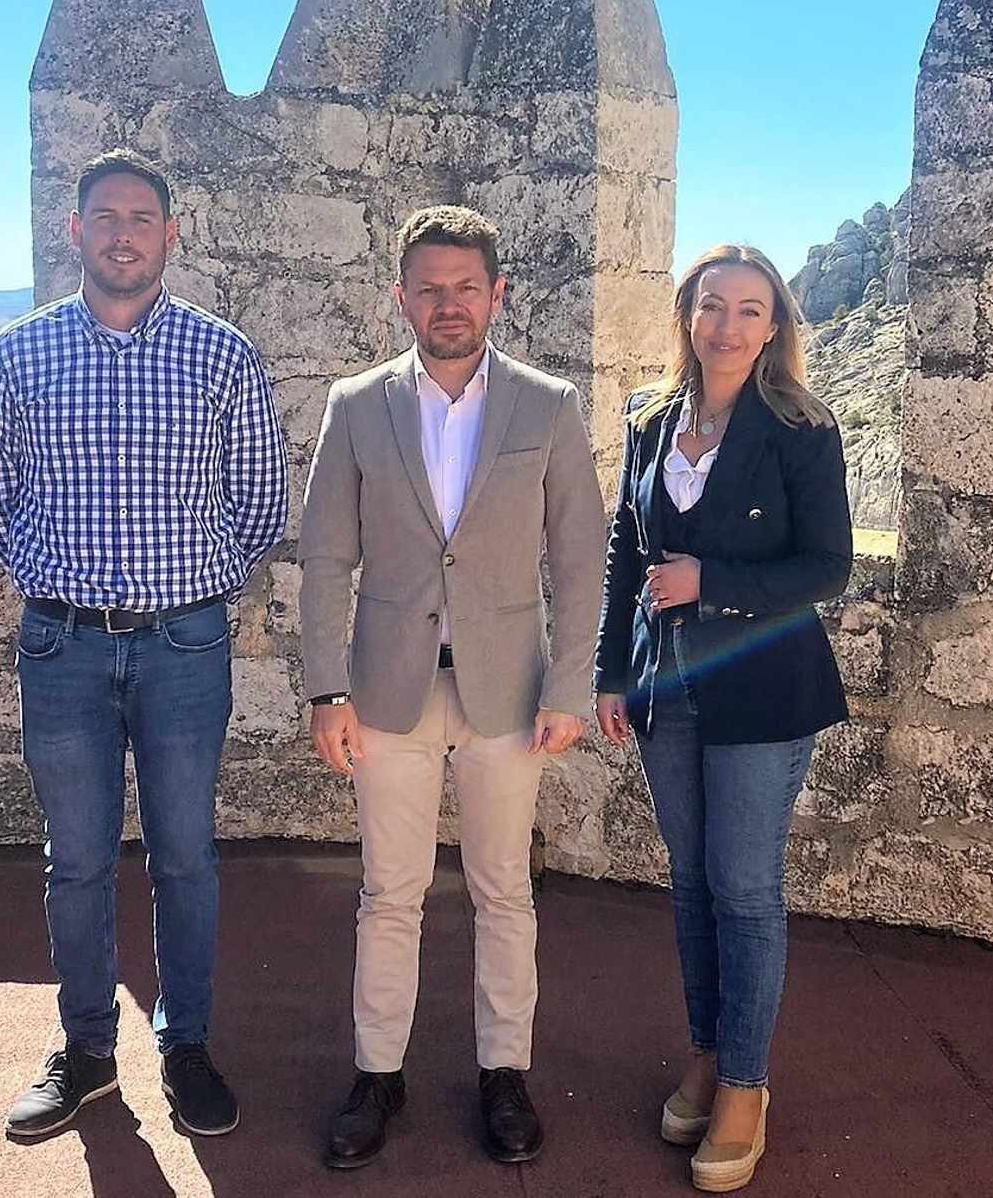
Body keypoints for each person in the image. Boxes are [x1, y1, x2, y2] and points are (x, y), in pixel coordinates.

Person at [0, 148, 287, 1140]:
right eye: (104, 215)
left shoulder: (222, 355)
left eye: (142, 217)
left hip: (185, 644)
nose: (123, 233)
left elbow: (260, 504)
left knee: (186, 855)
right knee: (76, 861)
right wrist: (55, 575)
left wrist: (189, 582)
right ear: (75, 230)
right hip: (61, 646)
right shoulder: (17, 356)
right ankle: (88, 1050)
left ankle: (186, 1045)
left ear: (170, 234)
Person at [298, 205, 606, 1169]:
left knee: (503, 889)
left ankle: (503, 1072)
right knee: (388, 891)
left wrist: (569, 684)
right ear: (401, 296)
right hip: (386, 691)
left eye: (466, 286)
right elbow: (324, 555)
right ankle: (376, 1074)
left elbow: (582, 557)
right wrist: (324, 688)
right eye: (429, 287)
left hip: (507, 693)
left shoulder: (548, 405)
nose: (448, 303)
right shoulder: (357, 404)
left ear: (497, 293)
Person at [594, 244, 852, 1194]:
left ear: (774, 325)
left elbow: (828, 566)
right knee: (692, 884)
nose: (727, 325)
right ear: (687, 315)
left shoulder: (802, 427)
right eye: (712, 305)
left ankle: (746, 1085)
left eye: (749, 309)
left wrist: (712, 582)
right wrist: (610, 674)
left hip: (762, 689)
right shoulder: (649, 417)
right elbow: (626, 549)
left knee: (742, 886)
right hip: (667, 688)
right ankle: (706, 1053)